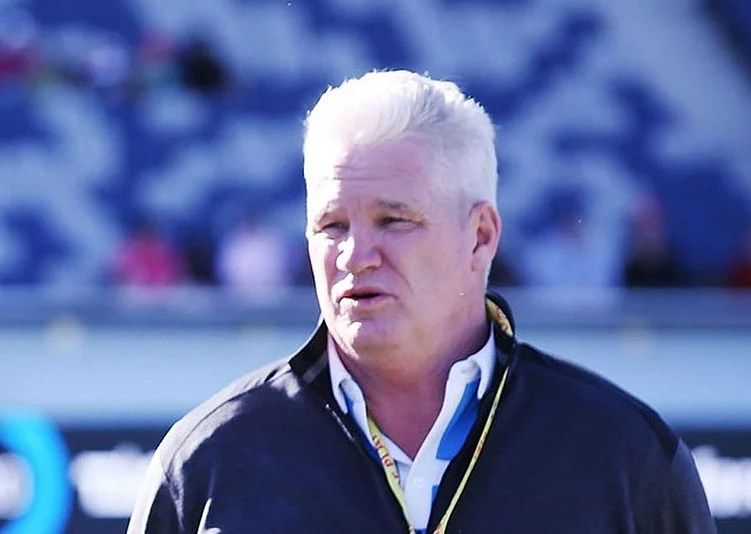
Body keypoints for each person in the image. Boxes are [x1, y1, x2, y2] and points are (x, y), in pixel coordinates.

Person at [127, 70, 716, 534]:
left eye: (394, 220)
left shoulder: (625, 455)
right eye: (331, 225)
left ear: (480, 236)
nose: (357, 255)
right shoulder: (205, 461)